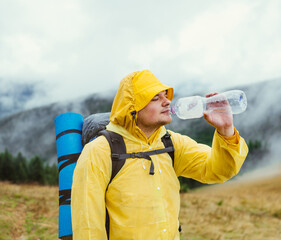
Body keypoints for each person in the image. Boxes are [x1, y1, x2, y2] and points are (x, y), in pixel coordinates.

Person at [71, 70, 248, 240]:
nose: (166, 102)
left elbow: (219, 170)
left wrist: (226, 130)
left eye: (165, 96)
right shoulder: (100, 151)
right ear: (132, 108)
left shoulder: (171, 144)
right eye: (155, 98)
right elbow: (88, 225)